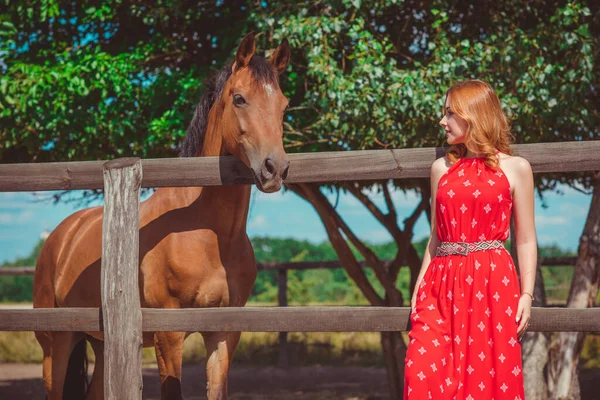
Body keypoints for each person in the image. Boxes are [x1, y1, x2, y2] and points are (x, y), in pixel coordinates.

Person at [403, 79, 536, 399]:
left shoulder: (517, 169)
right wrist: (419, 289)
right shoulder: (440, 169)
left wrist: (527, 295)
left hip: (492, 284)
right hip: (439, 285)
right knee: (421, 374)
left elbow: (526, 239)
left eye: (450, 113)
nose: (441, 121)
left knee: (487, 382)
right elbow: (436, 237)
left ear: (473, 114)